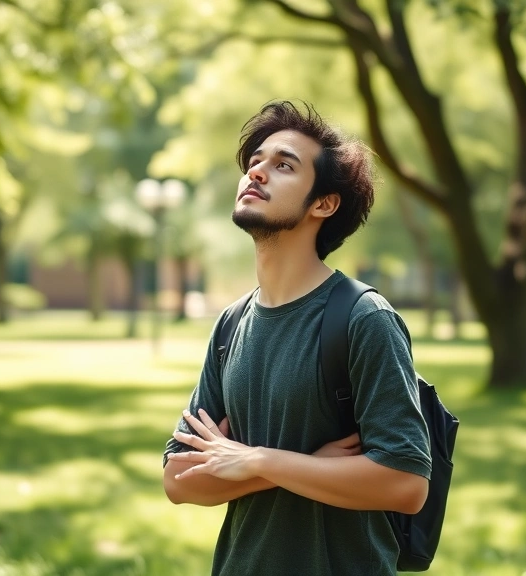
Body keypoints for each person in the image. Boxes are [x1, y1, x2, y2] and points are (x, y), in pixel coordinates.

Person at [162, 101, 431, 576]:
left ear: (323, 204)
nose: (257, 173)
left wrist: (258, 461)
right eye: (254, 163)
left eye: (283, 164)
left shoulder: (363, 317)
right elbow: (180, 480)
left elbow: (406, 484)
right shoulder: (231, 324)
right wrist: (281, 466)